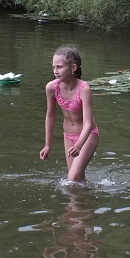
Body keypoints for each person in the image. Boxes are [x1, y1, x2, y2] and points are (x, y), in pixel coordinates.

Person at [39, 46, 99, 183]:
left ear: (73, 68)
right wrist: (48, 145)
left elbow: (88, 123)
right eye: (54, 67)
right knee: (78, 181)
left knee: (72, 179)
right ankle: (88, 194)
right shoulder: (51, 88)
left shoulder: (84, 89)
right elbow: (50, 116)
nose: (55, 71)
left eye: (59, 67)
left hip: (88, 135)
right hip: (68, 136)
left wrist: (79, 145)